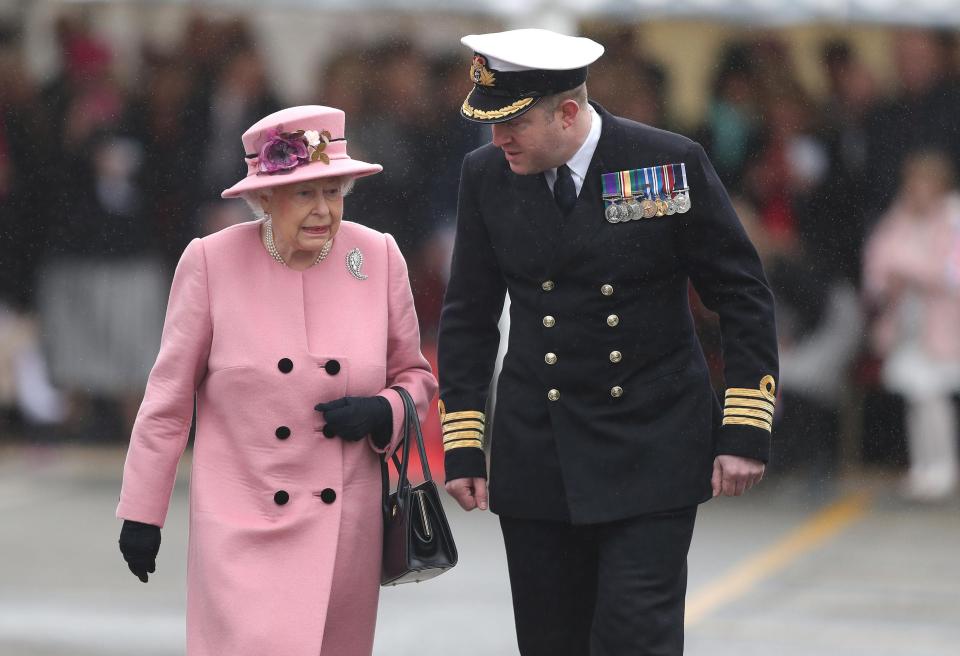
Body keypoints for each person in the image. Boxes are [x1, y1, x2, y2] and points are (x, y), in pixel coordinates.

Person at [438, 29, 778, 655]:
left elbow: (742, 295)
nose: (498, 138)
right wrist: (463, 442)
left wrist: (743, 429)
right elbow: (468, 314)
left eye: (512, 123)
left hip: (650, 444)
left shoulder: (665, 161)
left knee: (634, 639)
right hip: (538, 449)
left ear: (569, 112)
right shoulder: (486, 174)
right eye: (491, 124)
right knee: (551, 643)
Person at [115, 105, 437, 656]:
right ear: (263, 199)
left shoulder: (377, 257)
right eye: (304, 194)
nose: (323, 211)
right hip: (242, 530)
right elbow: (168, 402)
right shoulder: (211, 262)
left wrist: (385, 409)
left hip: (344, 533)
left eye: (333, 192)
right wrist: (143, 513)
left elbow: (416, 378)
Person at [863, 149, 960, 501]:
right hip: (907, 322)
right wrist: (891, 279)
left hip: (944, 322)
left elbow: (952, 273)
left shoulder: (953, 217)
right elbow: (876, 264)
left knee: (933, 395)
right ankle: (924, 467)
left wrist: (910, 270)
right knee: (917, 396)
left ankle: (943, 468)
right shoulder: (899, 217)